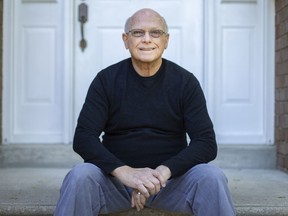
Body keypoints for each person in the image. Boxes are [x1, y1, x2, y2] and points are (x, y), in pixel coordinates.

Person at [54, 8, 236, 216]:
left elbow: (206, 142)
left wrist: (162, 173)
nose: (147, 40)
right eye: (138, 33)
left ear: (166, 41)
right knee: (80, 175)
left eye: (155, 33)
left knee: (212, 177)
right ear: (125, 40)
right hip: (115, 185)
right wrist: (127, 174)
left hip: (171, 185)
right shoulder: (106, 80)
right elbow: (84, 138)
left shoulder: (185, 82)